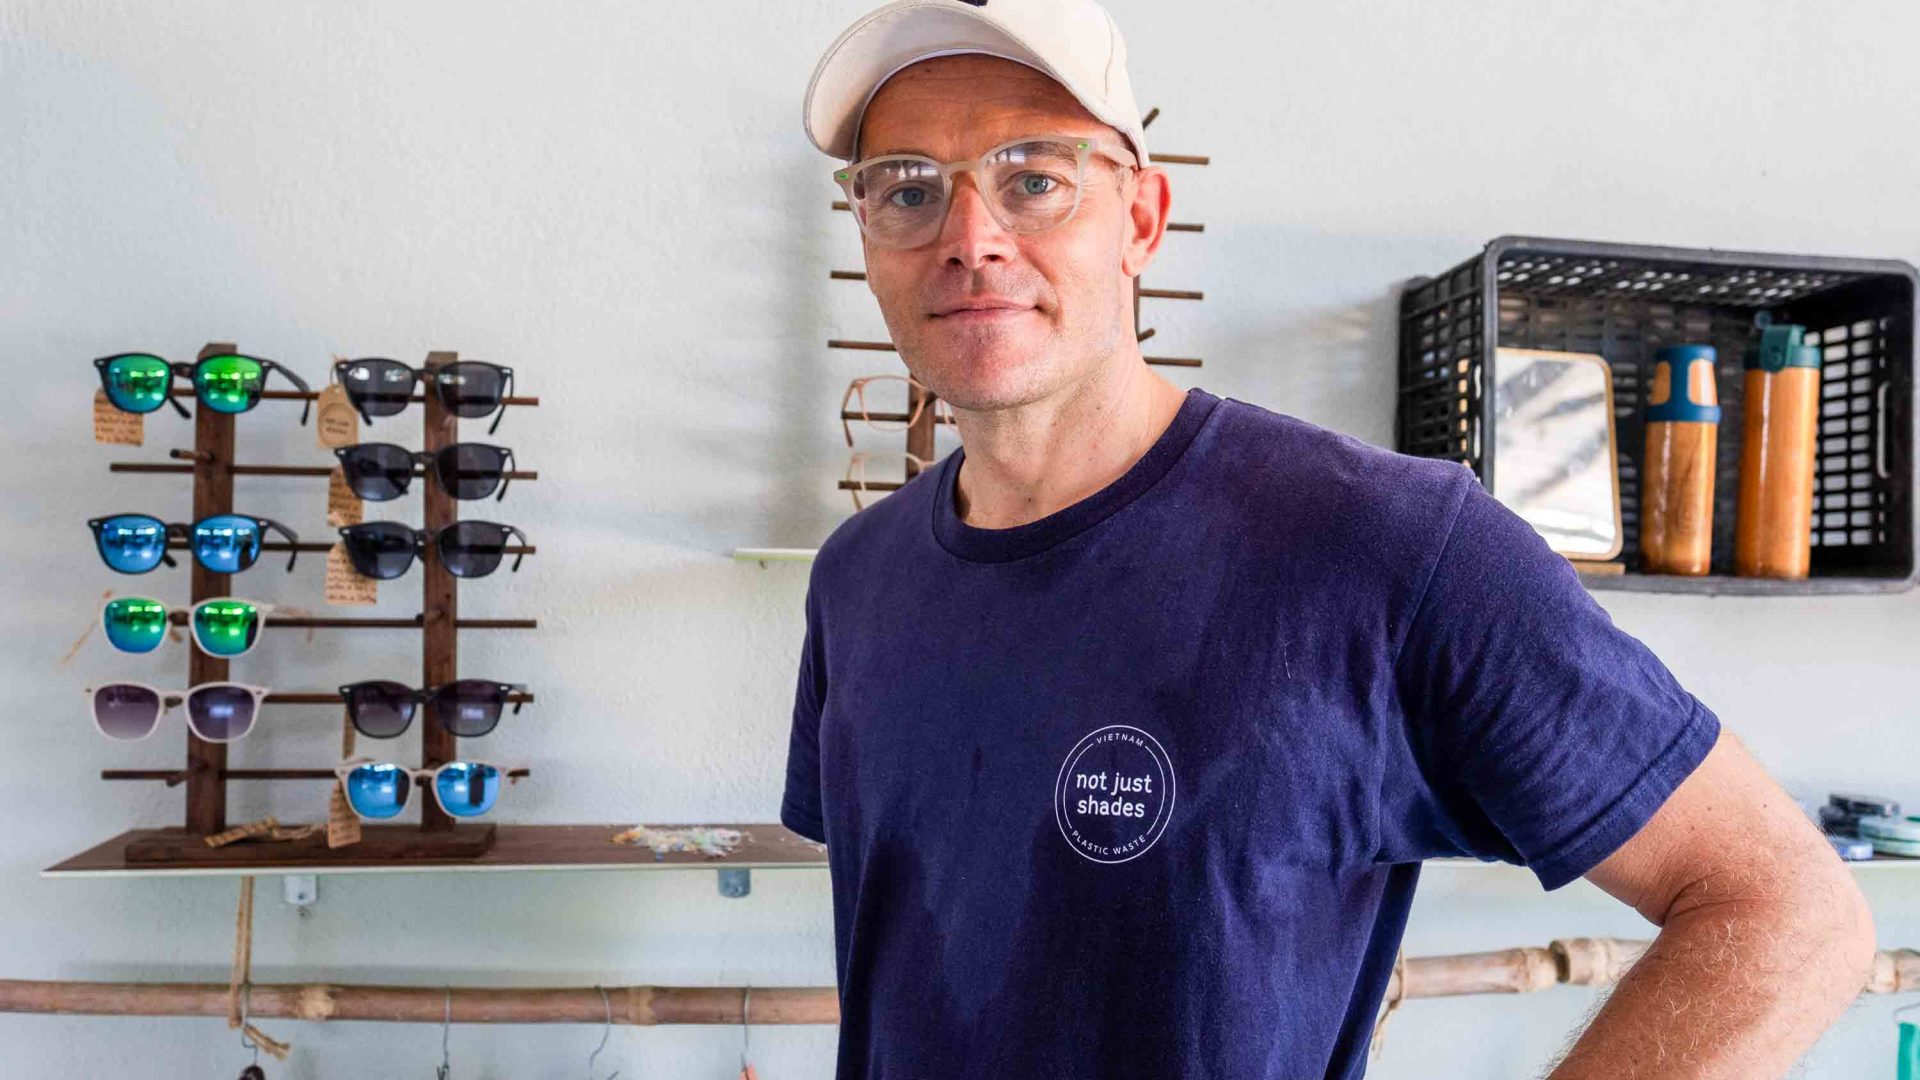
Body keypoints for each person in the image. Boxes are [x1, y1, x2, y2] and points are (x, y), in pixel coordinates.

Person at [779, 1, 1875, 1076]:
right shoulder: (858, 581)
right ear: (868, 238)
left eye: (1034, 180)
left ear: (1144, 219)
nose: (971, 240)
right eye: (908, 190)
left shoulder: (1384, 546)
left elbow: (1791, 913)